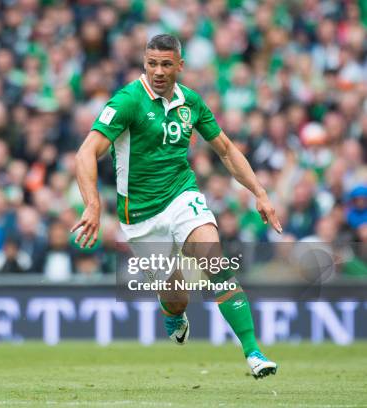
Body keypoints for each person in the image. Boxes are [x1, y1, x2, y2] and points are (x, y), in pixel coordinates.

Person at [72, 34, 281, 379]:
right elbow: (85, 153)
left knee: (213, 259)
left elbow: (226, 150)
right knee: (176, 297)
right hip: (140, 216)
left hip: (182, 196)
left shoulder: (192, 102)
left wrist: (260, 192)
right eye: (152, 63)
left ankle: (253, 353)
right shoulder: (127, 101)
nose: (158, 71)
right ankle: (173, 314)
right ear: (144, 62)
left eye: (166, 64)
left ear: (179, 66)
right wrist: (93, 204)